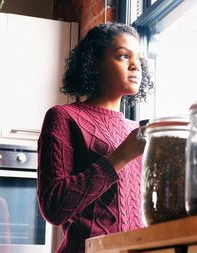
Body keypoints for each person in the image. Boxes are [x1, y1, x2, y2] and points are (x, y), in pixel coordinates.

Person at [37, 23, 154, 253]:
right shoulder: (63, 117)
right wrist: (122, 155)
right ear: (94, 62)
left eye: (139, 60)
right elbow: (54, 207)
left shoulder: (135, 132)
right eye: (123, 56)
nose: (135, 66)